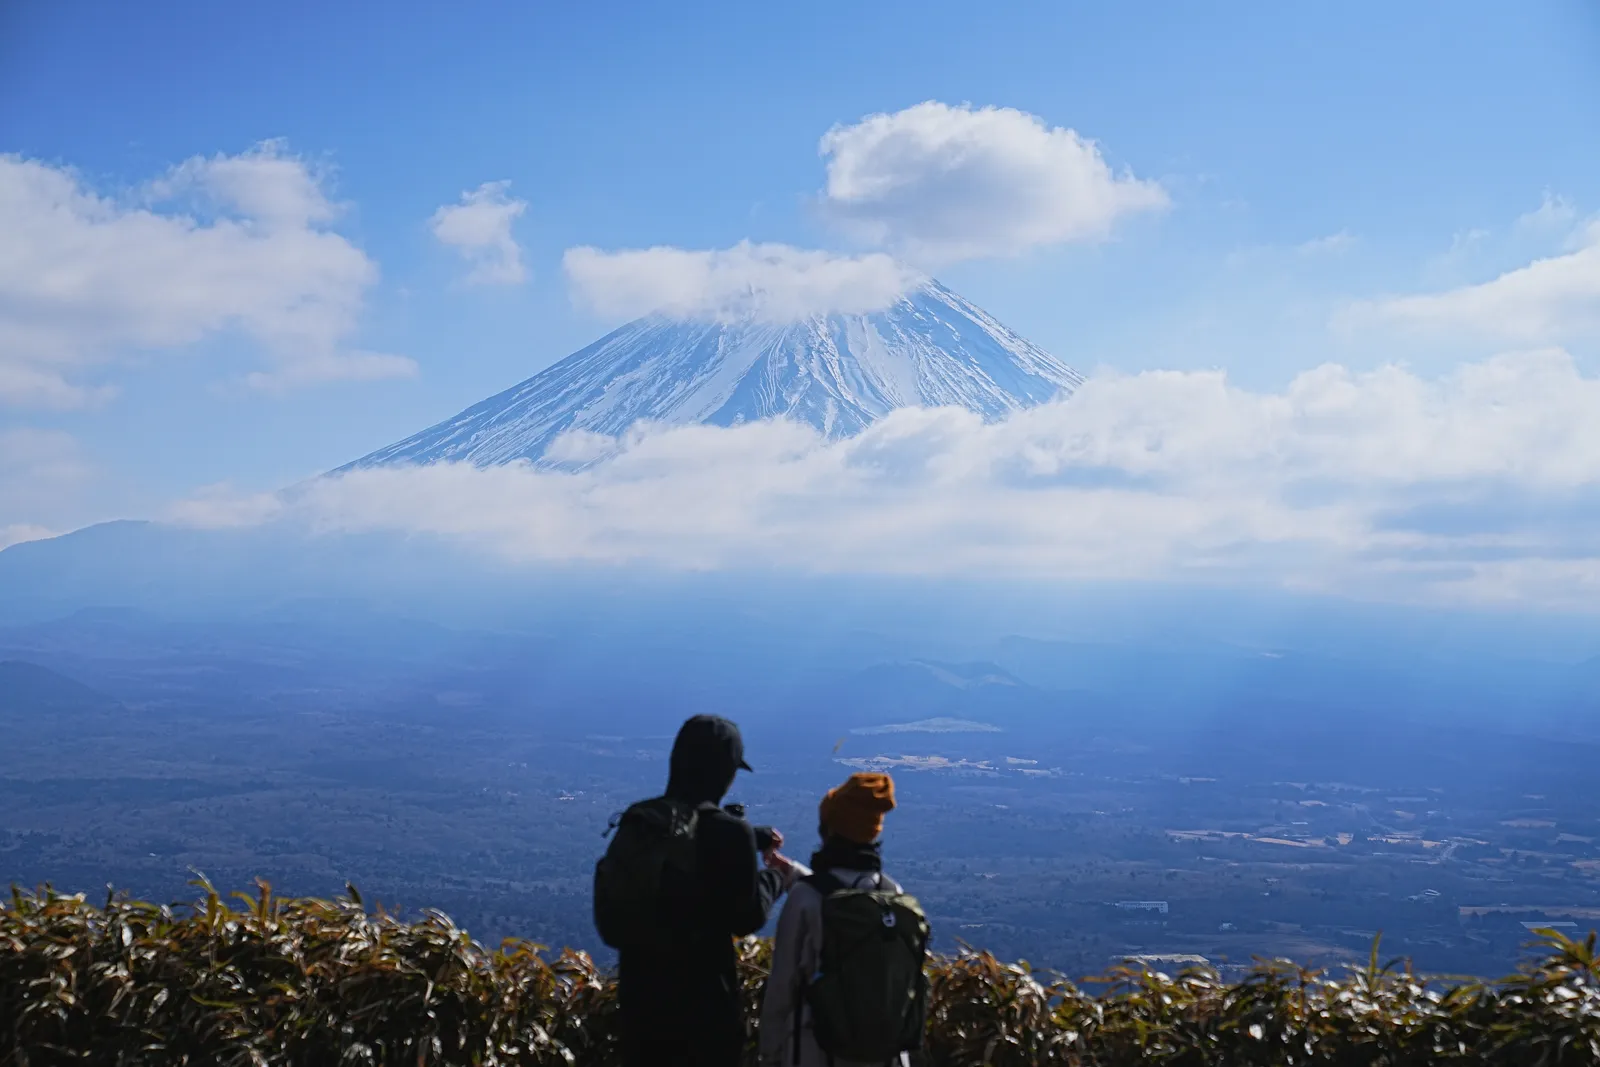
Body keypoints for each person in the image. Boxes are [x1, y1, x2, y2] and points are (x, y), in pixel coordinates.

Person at [609, 715, 801, 1067]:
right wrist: (777, 878)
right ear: (726, 772)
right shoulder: (729, 835)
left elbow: (690, 834)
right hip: (706, 1014)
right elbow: (747, 917)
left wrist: (750, 836)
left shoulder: (642, 822)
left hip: (641, 1006)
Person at [759, 772, 929, 1067]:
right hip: (885, 1055)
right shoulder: (892, 895)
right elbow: (847, 894)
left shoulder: (805, 900)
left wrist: (769, 1053)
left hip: (817, 1053)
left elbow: (782, 988)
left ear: (829, 831)